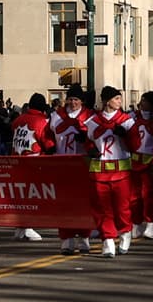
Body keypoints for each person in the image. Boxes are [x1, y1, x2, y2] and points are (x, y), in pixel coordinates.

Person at [84, 85, 135, 257]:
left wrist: (126, 135)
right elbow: (89, 142)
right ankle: (108, 240)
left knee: (122, 209)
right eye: (116, 99)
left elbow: (136, 145)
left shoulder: (127, 121)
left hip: (121, 172)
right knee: (102, 209)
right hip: (99, 172)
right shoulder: (92, 122)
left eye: (120, 98)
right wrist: (90, 149)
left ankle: (125, 232)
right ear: (106, 101)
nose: (119, 102)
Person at [50, 84, 94, 253]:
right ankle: (66, 238)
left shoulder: (89, 117)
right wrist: (50, 147)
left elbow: (96, 139)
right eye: (70, 99)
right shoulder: (56, 116)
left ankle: (84, 237)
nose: (73, 102)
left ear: (81, 101)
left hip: (83, 164)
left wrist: (86, 139)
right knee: (64, 203)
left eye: (76, 99)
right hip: (62, 164)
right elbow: (49, 136)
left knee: (84, 203)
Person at [9, 92, 55, 241]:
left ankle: (20, 227)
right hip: (34, 164)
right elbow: (49, 145)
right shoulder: (42, 123)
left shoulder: (18, 120)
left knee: (20, 196)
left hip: (16, 163)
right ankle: (27, 227)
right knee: (31, 197)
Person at [128, 90, 153, 243]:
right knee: (134, 196)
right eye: (141, 101)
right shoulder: (132, 117)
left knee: (148, 195)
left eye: (145, 101)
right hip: (134, 163)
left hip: (150, 165)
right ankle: (136, 223)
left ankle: (151, 223)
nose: (142, 104)